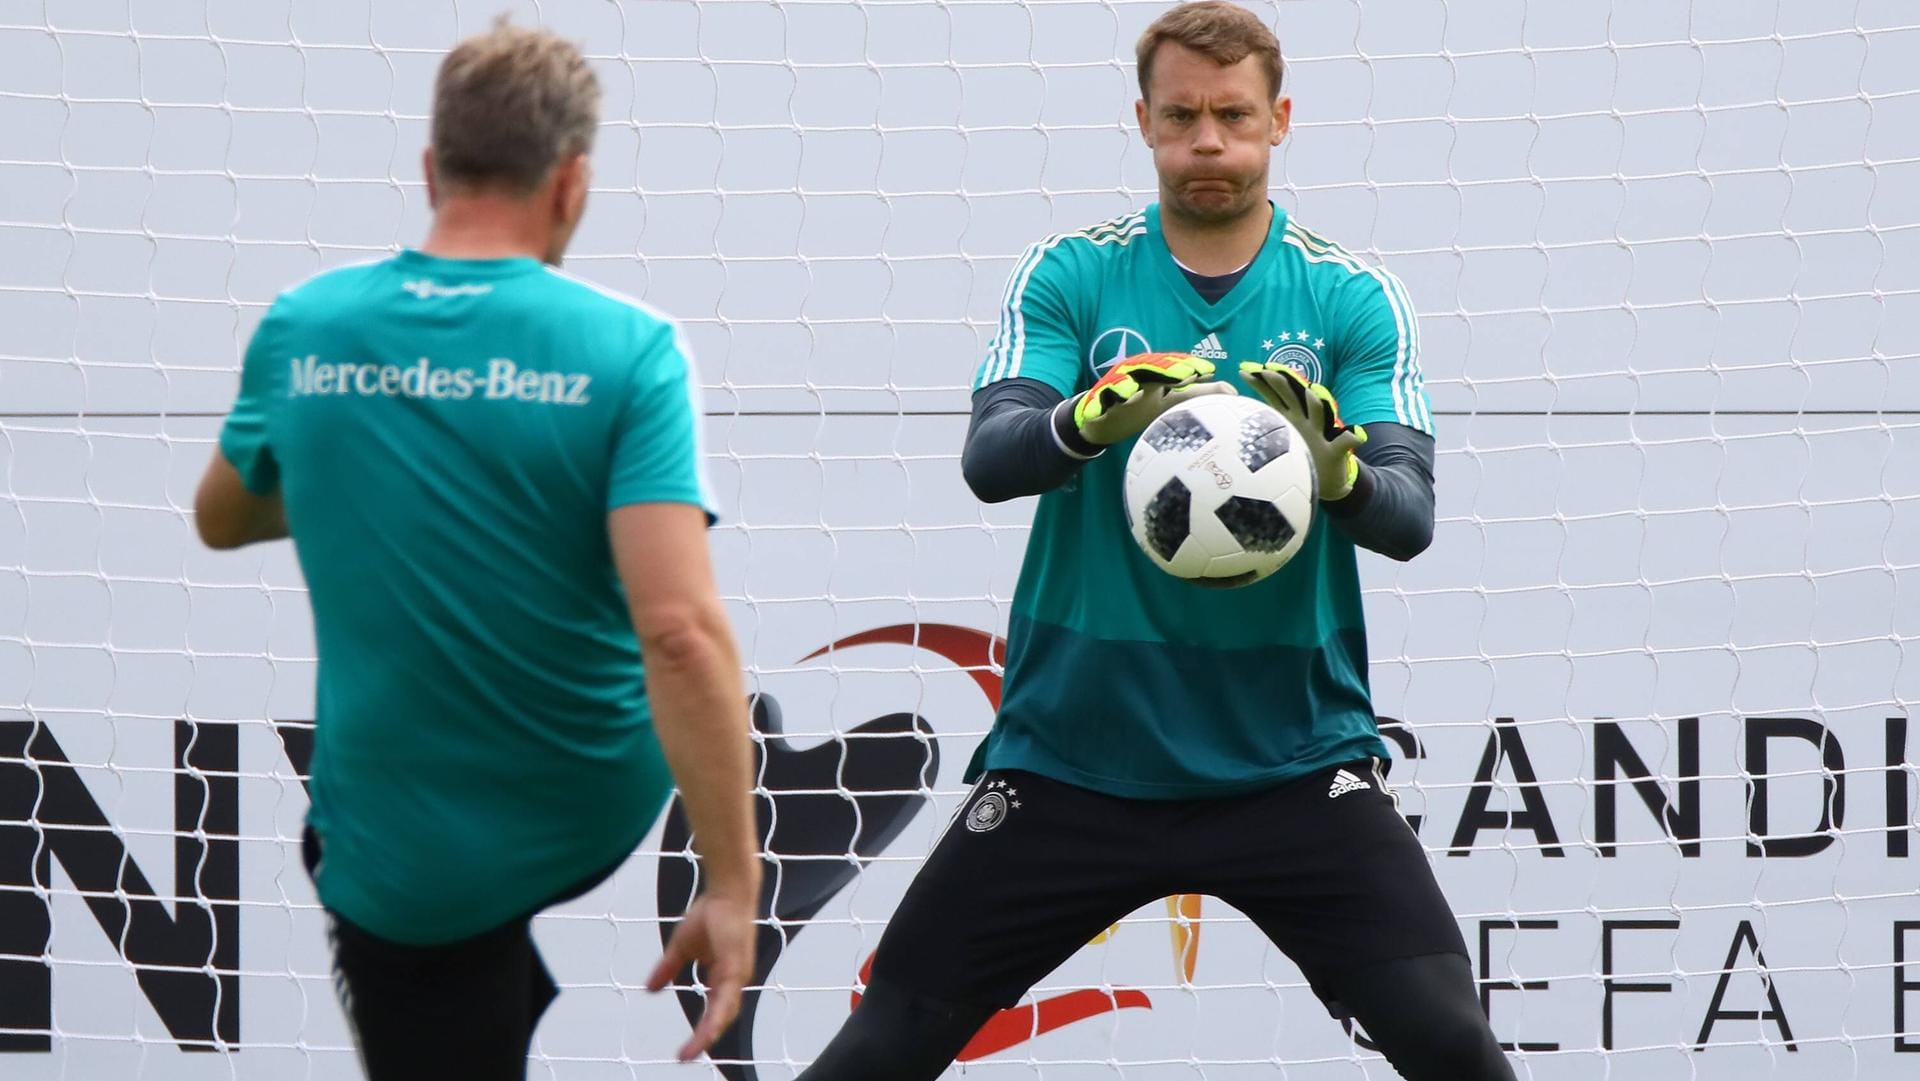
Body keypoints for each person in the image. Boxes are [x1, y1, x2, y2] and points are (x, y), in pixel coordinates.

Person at [797, 3, 1514, 1079]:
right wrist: (1084, 420)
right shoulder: (1075, 275)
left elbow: (1407, 517)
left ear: (1279, 119)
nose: (1208, 141)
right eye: (1182, 115)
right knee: (886, 1040)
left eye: (1232, 114)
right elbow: (993, 457)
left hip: (1291, 762)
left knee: (1453, 1041)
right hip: (1077, 756)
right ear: (1143, 120)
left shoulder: (1349, 295)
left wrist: (1335, 470)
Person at [193, 20, 759, 1080]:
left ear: (428, 169)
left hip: (406, 854)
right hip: (587, 801)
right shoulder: (628, 348)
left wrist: (376, 471)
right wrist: (731, 883)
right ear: (573, 182)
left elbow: (223, 516)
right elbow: (678, 632)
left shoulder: (305, 324)